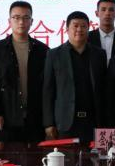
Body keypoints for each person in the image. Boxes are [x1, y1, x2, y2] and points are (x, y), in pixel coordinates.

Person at [0, 1, 49, 142]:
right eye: (16, 17)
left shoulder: (42, 50)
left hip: (35, 118)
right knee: (7, 155)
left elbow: (48, 86)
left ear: (32, 21)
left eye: (26, 18)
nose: (21, 22)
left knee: (35, 155)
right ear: (9, 21)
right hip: (6, 118)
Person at [43, 11, 108, 143]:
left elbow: (104, 88)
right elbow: (48, 90)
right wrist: (49, 123)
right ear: (67, 29)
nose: (79, 29)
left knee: (93, 155)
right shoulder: (54, 54)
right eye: (75, 26)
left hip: (93, 121)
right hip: (65, 122)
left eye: (83, 26)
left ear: (88, 29)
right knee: (66, 155)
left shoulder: (99, 54)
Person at [87, 0, 115, 64]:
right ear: (97, 13)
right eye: (103, 9)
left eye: (111, 10)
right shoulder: (87, 37)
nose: (107, 13)